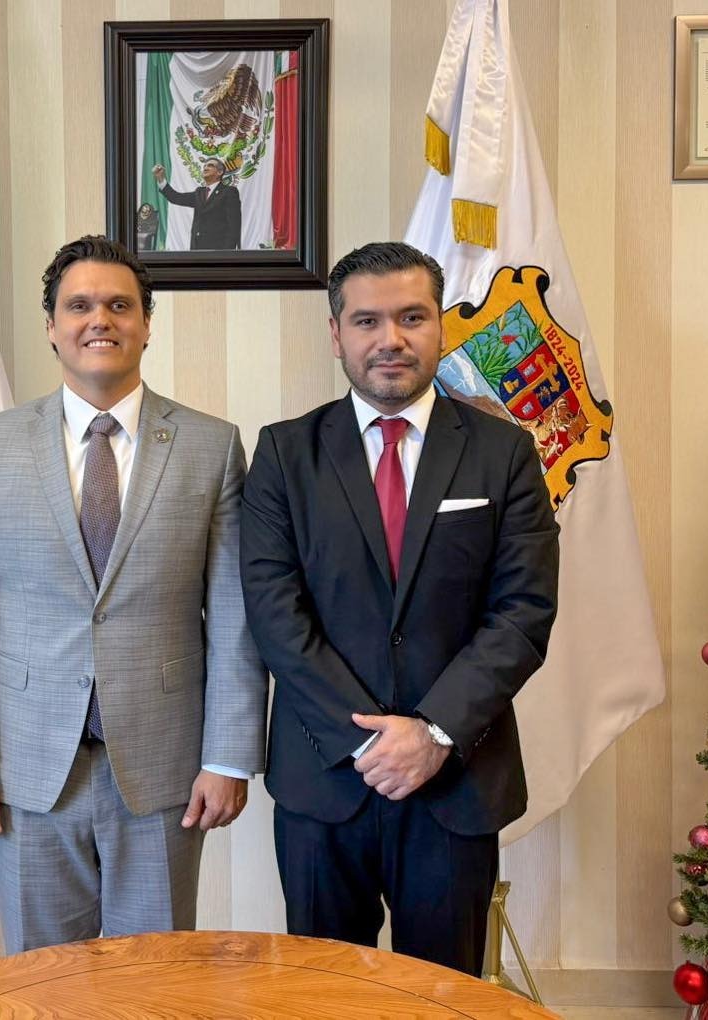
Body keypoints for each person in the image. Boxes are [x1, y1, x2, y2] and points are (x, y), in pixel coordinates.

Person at [0, 235, 267, 953]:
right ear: (51, 326)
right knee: (44, 981)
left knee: (155, 982)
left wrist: (229, 757)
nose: (99, 320)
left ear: (146, 324)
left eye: (119, 305)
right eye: (79, 305)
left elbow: (234, 618)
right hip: (26, 768)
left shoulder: (211, 446)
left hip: (164, 768)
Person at [239, 241, 559, 974]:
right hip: (325, 779)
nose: (390, 339)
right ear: (336, 334)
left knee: (442, 998)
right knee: (324, 997)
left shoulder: (504, 452)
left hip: (455, 780)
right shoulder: (284, 454)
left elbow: (523, 610)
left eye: (411, 317)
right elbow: (274, 613)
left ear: (439, 325)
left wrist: (433, 731)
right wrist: (366, 743)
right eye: (367, 321)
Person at [152, 159, 241, 250]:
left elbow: (234, 225)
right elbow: (176, 197)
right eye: (204, 166)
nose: (205, 168)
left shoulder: (229, 191)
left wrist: (227, 252)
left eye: (210, 165)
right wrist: (161, 179)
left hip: (219, 250)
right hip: (197, 250)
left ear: (220, 172)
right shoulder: (199, 192)